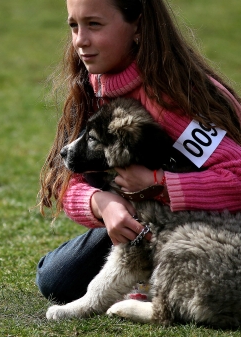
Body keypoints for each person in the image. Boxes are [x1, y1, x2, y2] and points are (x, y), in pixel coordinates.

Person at [36, 0, 241, 304]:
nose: (80, 40)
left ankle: (169, 279)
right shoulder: (92, 84)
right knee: (56, 278)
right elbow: (66, 179)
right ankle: (149, 272)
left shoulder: (173, 97)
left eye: (94, 24)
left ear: (138, 27)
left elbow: (236, 178)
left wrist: (158, 181)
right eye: (73, 25)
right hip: (144, 217)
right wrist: (102, 205)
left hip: (220, 231)